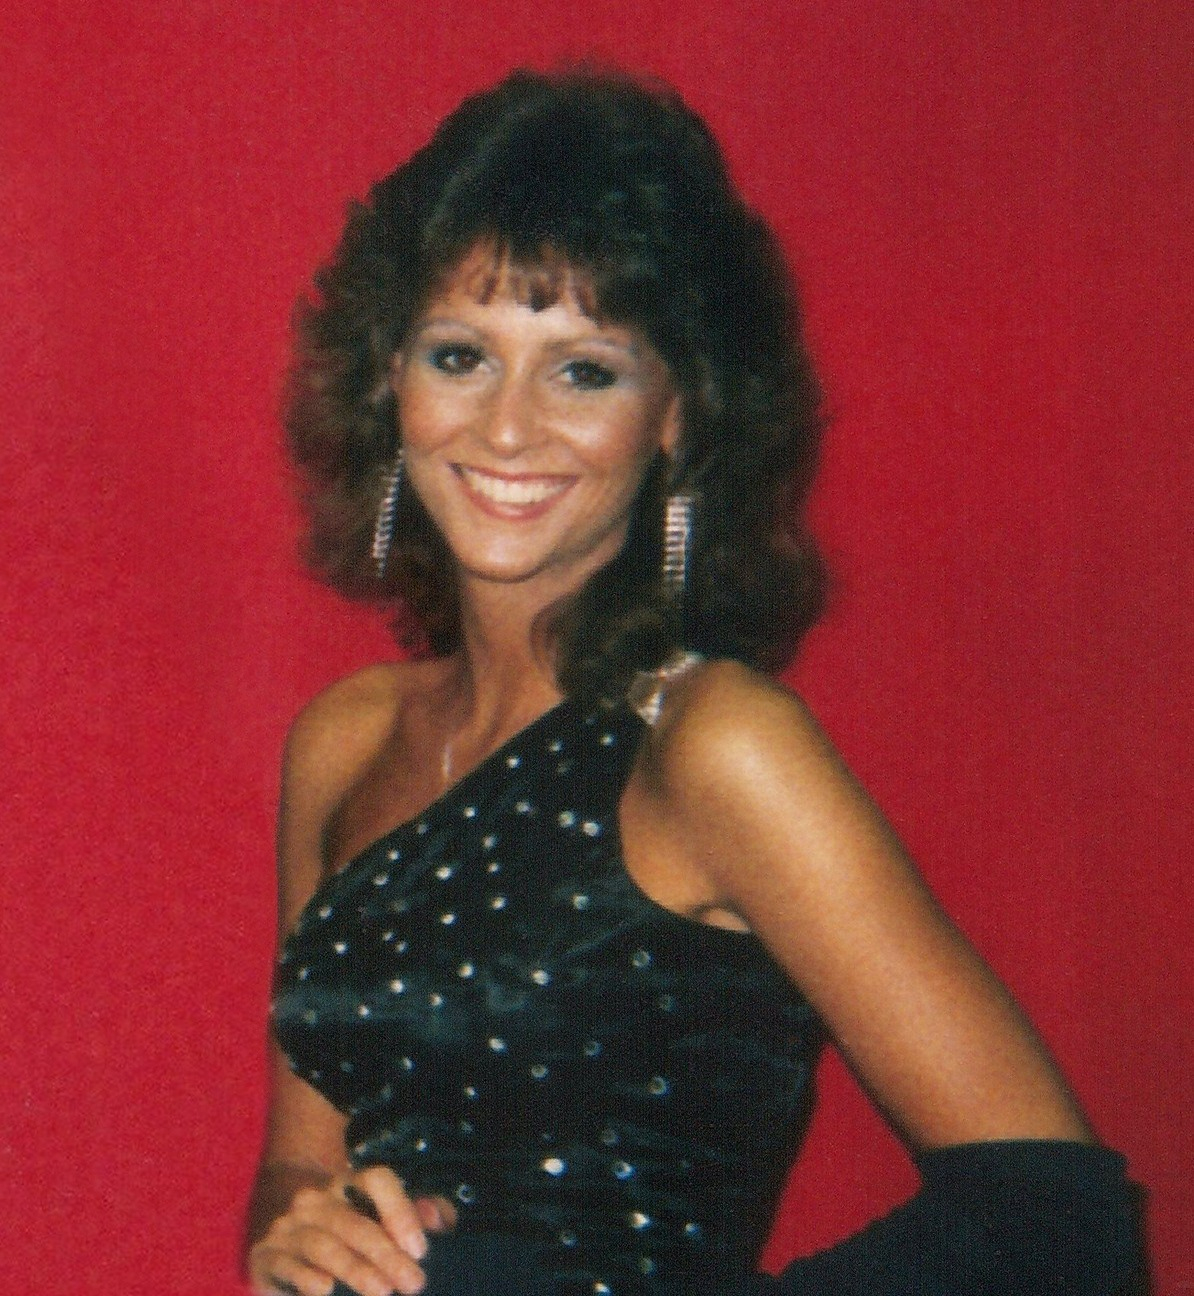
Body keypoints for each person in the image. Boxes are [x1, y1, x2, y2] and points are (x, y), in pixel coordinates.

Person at [245, 69, 1140, 1296]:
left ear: (676, 414)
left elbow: (1060, 1230)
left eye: (584, 371)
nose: (506, 428)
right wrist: (298, 1232)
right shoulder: (344, 740)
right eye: (462, 357)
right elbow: (299, 1165)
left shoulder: (714, 742)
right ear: (387, 382)